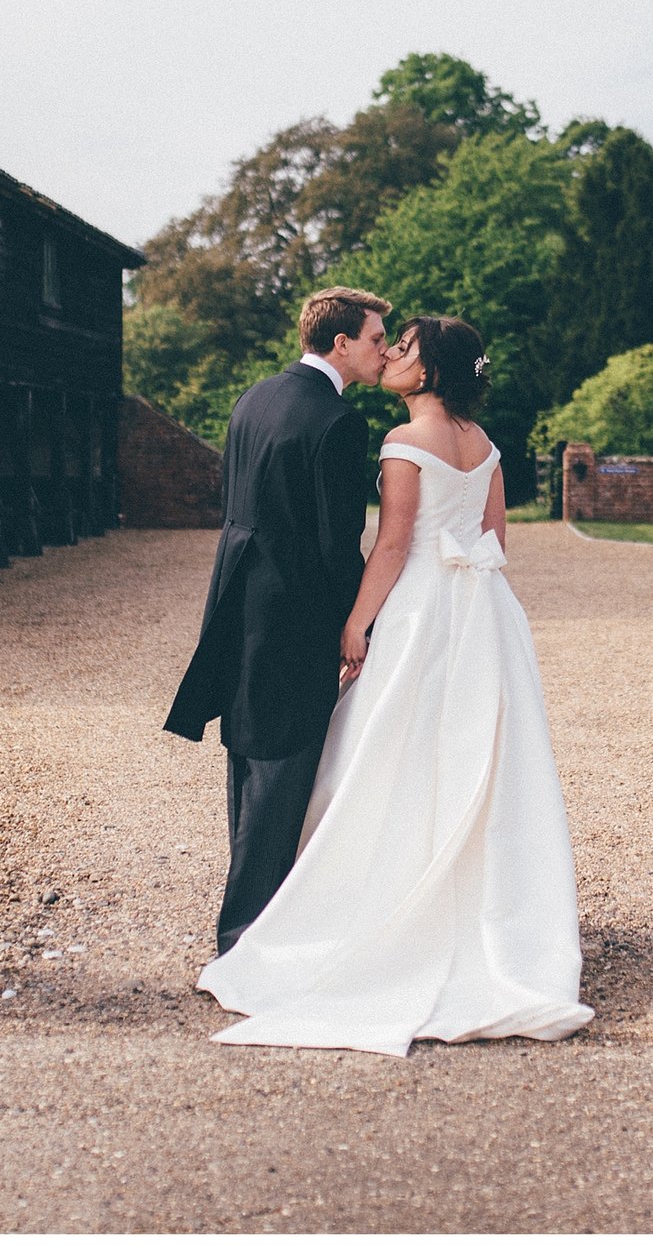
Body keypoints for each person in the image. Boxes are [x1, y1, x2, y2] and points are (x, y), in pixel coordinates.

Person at [196, 315, 594, 1056]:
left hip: (419, 612)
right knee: (475, 758)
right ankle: (478, 905)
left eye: (406, 350)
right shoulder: (488, 446)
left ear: (432, 371)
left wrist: (357, 624)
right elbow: (495, 541)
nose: (394, 357)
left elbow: (393, 542)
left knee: (387, 756)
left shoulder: (404, 443)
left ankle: (366, 906)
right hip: (484, 614)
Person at [166, 286, 393, 956]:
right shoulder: (337, 420)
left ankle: (253, 929)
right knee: (281, 773)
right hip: (293, 618)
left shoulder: (255, 397)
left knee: (248, 763)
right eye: (378, 339)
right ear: (342, 343)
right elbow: (333, 545)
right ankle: (243, 942)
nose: (385, 351)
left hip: (237, 606)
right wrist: (359, 623)